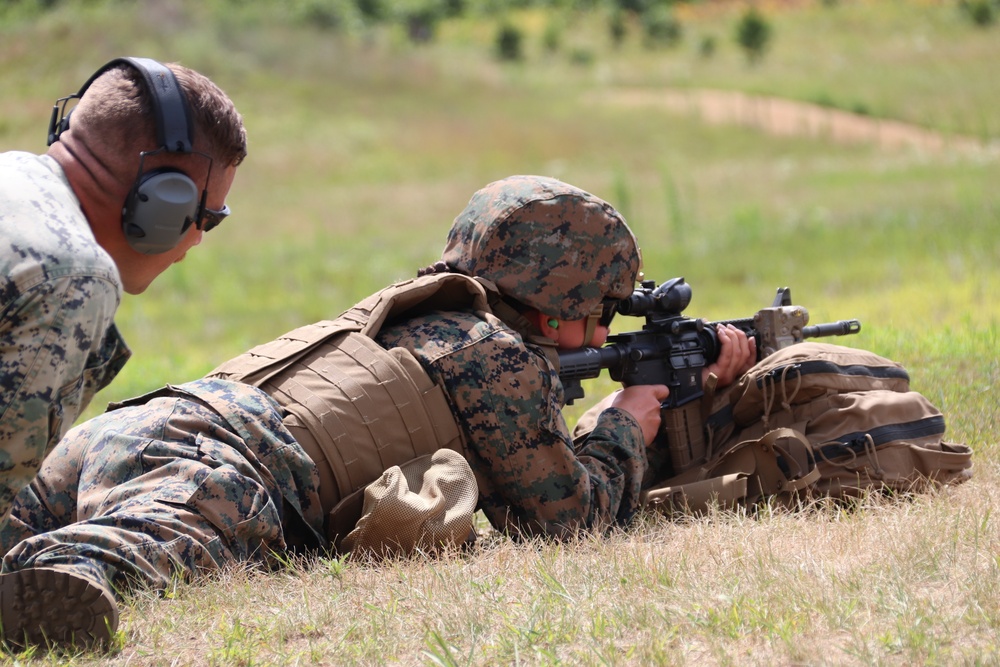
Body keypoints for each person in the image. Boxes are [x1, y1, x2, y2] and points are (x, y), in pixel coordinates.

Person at [0, 175, 755, 650]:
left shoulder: (421, 309)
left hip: (155, 420)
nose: (603, 329)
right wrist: (630, 416)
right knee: (120, 556)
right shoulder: (500, 357)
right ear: (559, 304)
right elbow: (568, 520)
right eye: (601, 310)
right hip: (230, 470)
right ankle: (58, 573)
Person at [0, 58, 247, 534]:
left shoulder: (12, 175)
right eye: (208, 217)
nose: (197, 239)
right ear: (162, 203)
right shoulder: (72, 275)